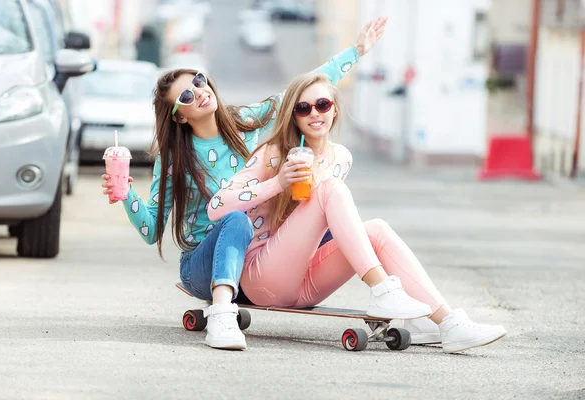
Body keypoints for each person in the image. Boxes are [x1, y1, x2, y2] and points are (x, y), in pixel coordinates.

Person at [101, 17, 389, 351]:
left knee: (327, 217)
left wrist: (357, 51)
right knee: (234, 219)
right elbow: (151, 231)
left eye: (198, 81)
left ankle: (393, 297)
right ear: (179, 116)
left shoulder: (245, 122)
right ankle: (222, 314)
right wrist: (125, 195)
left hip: (254, 256)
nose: (199, 92)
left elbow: (301, 95)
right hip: (201, 263)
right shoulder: (175, 159)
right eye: (187, 96)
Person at [207, 72, 507, 353]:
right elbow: (216, 206)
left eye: (322, 104)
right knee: (330, 189)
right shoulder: (272, 154)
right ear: (293, 117)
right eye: (303, 108)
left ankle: (448, 323)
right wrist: (277, 183)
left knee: (376, 228)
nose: (315, 113)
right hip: (263, 278)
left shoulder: (341, 157)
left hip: (307, 282)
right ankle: (382, 289)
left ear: (334, 110)